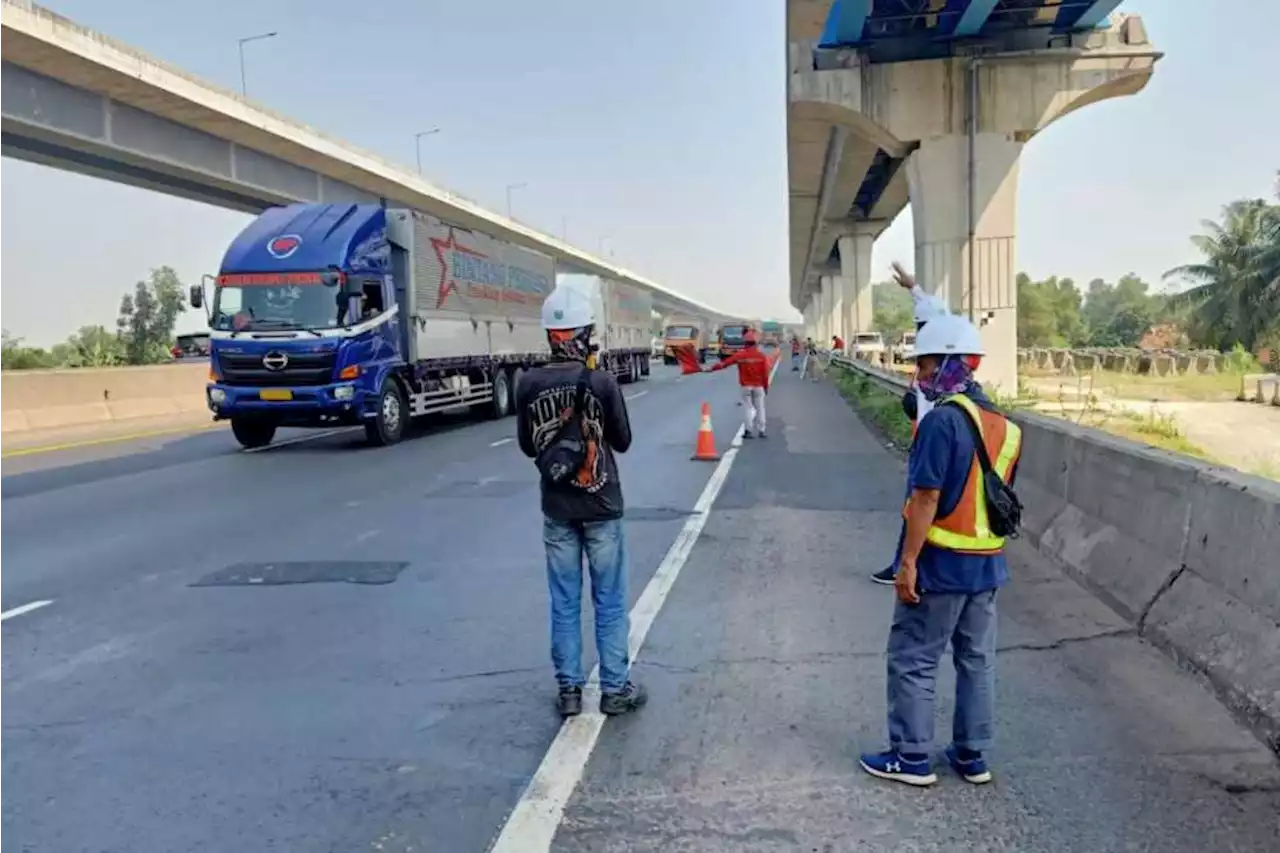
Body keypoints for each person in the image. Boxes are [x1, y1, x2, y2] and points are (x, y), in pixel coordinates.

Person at [859, 313, 1023, 788]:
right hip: (988, 567)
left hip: (941, 564)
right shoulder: (1005, 427)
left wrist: (907, 562)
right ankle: (971, 756)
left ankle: (910, 757)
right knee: (976, 660)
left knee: (914, 657)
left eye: (926, 365)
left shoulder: (943, 422)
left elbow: (927, 498)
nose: (920, 376)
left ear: (950, 364)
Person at [515, 284, 648, 719]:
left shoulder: (528, 383)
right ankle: (614, 690)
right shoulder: (602, 381)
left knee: (565, 601)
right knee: (609, 601)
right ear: (582, 335)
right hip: (602, 506)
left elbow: (526, 446)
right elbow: (623, 442)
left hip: (557, 508)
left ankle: (569, 691)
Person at [870, 262, 953, 585]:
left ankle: (903, 566)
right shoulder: (943, 347)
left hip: (931, 442)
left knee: (917, 505)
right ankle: (914, 564)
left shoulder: (940, 360)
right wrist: (912, 287)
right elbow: (932, 306)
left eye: (921, 325)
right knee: (923, 506)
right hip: (929, 436)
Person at [708, 328, 770, 439]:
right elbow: (765, 373)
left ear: (745, 343)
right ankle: (762, 430)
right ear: (755, 343)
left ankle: (749, 431)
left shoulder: (740, 355)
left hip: (746, 386)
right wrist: (765, 387)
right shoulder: (761, 356)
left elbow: (724, 364)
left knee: (748, 408)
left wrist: (711, 369)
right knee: (760, 408)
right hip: (758, 386)